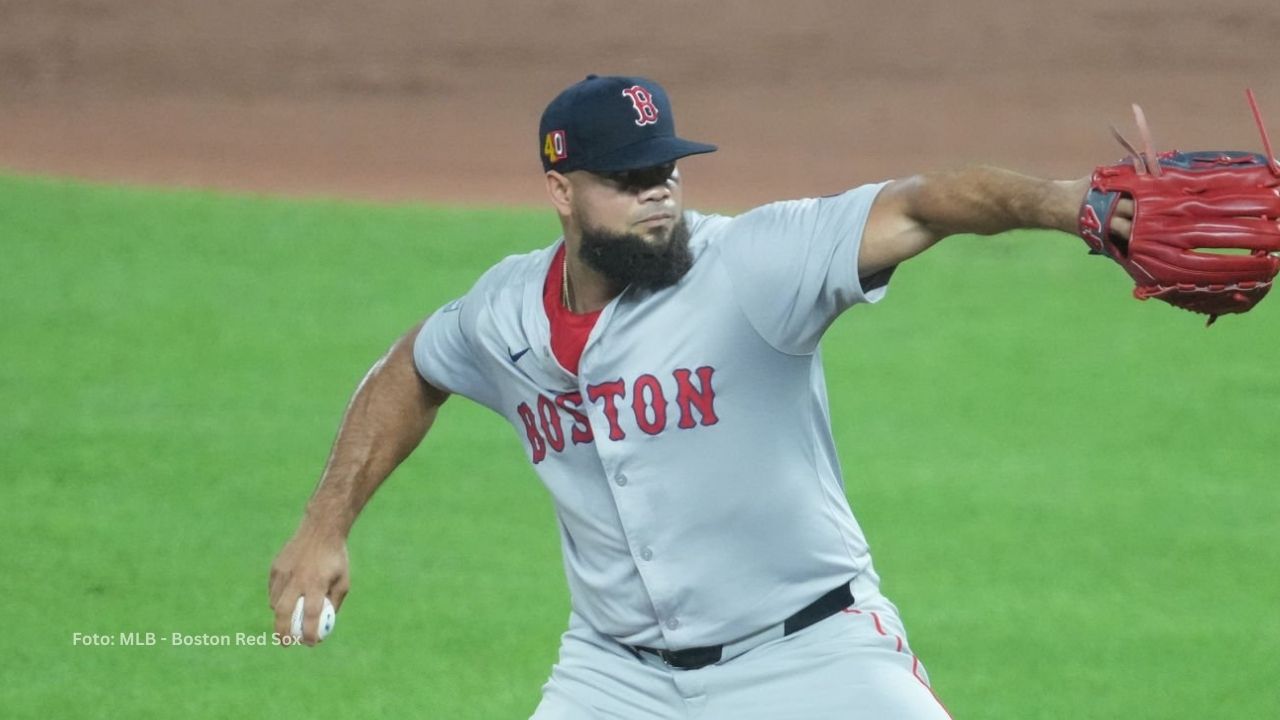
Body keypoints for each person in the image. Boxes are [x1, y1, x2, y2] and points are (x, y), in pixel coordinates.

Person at [268, 74, 1131, 719]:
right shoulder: (504, 314)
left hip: (813, 655)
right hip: (615, 677)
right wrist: (324, 524)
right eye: (631, 180)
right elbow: (409, 369)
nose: (659, 197)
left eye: (667, 173)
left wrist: (1064, 203)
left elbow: (921, 206)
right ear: (561, 192)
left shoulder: (752, 266)